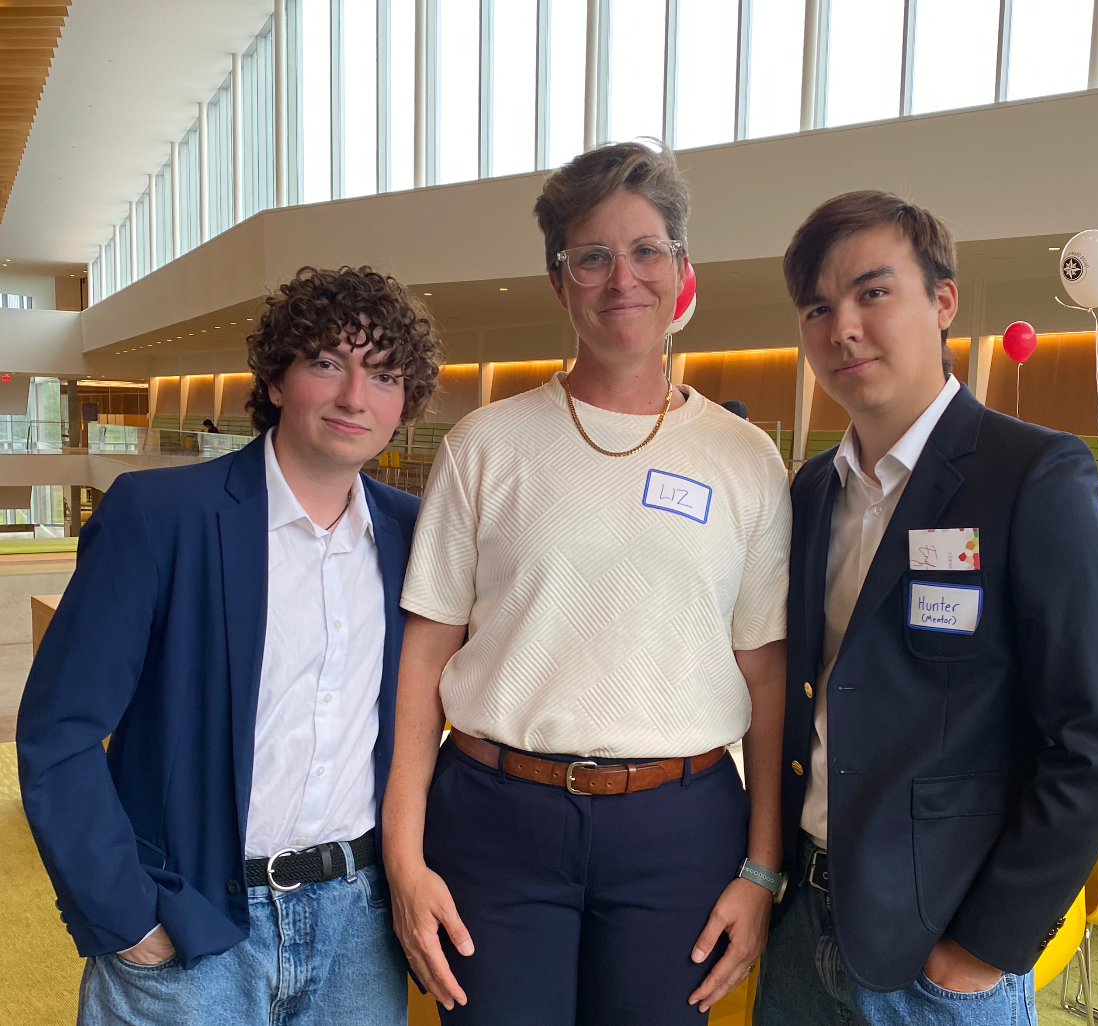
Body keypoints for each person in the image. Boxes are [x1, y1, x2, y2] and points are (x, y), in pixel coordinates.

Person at [382, 141, 792, 1025]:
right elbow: (422, 660)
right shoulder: (485, 447)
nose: (622, 279)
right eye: (592, 257)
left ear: (682, 270)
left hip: (678, 829)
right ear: (559, 282)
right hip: (494, 821)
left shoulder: (745, 459)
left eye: (647, 251)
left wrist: (762, 867)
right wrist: (405, 859)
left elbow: (763, 674)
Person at [754, 191, 1098, 1025]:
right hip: (801, 922)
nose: (843, 327)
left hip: (937, 954)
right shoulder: (813, 491)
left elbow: (1096, 744)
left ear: (943, 301)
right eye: (818, 307)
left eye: (873, 292)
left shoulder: (1031, 476)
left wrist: (985, 947)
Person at [17, 265, 440, 1025]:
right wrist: (128, 918)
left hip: (359, 932)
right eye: (326, 363)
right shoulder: (160, 517)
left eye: (382, 376)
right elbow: (60, 731)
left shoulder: (416, 535)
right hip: (192, 922)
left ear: (404, 404)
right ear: (276, 380)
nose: (354, 397)